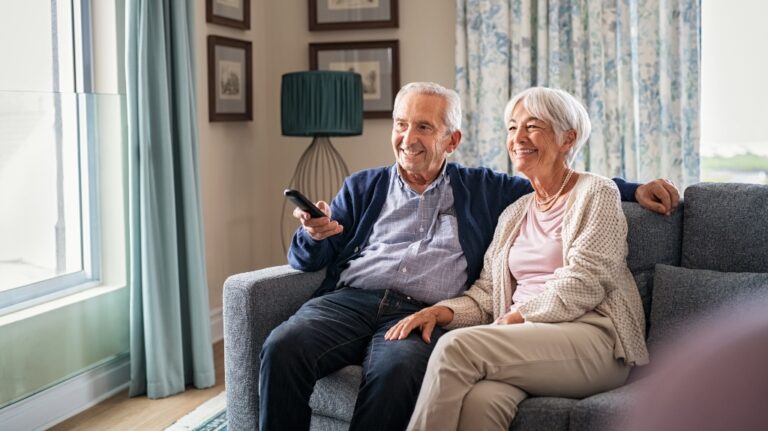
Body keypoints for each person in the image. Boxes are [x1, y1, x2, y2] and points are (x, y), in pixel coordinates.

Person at [259, 82, 677, 431]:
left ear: (452, 140)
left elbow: (570, 184)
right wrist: (313, 234)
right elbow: (308, 258)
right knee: (284, 345)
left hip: (431, 310)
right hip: (352, 301)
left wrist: (635, 189)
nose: (408, 138)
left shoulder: (490, 190)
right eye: (401, 124)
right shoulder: (364, 187)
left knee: (401, 371)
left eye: (423, 126)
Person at [388, 87, 649, 431]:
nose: (518, 137)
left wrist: (518, 316)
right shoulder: (514, 213)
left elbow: (587, 280)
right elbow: (486, 294)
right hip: (526, 341)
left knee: (455, 349)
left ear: (567, 139)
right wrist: (441, 312)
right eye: (512, 128)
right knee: (481, 402)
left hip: (592, 340)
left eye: (533, 126)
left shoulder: (596, 192)